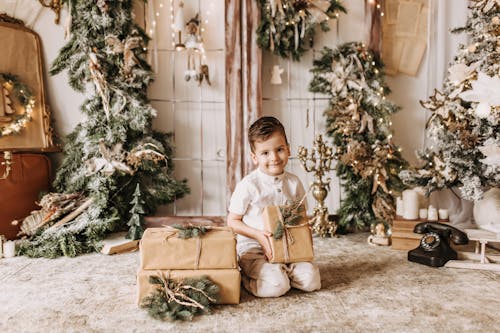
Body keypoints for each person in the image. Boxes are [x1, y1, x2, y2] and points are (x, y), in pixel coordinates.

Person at [227, 116, 321, 297]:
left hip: (288, 247)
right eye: (265, 153)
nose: (274, 158)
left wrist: (303, 247)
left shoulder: (294, 182)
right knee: (277, 286)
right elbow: (232, 221)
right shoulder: (249, 185)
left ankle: (283, 271)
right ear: (255, 157)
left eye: (279, 149)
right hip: (255, 247)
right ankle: (249, 277)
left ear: (288, 149)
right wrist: (259, 236)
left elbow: (302, 217)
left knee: (312, 281)